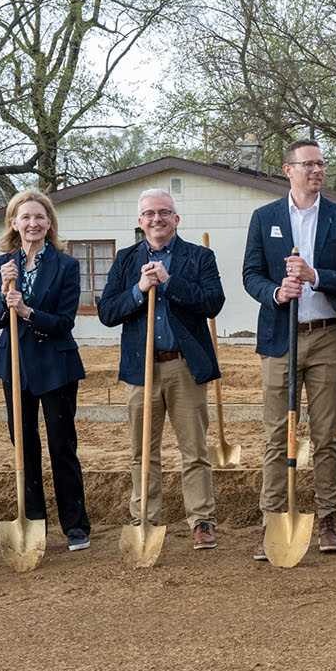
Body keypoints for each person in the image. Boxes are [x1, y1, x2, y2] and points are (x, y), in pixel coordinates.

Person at [243, 139, 336, 557]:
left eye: (321, 164)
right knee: (277, 434)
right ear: (288, 169)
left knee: (326, 432)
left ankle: (329, 520)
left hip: (327, 336)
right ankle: (274, 520)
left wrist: (316, 275)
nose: (317, 170)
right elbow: (250, 275)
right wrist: (276, 291)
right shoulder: (265, 218)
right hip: (281, 336)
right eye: (308, 164)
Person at [97, 188, 226, 551]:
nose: (157, 219)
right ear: (140, 222)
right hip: (143, 370)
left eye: (164, 213)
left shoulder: (199, 257)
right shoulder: (126, 260)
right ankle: (145, 518)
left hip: (184, 366)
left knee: (194, 449)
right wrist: (139, 289)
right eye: (150, 214)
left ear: (176, 219)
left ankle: (201, 520)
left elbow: (212, 303)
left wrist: (170, 282)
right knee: (142, 452)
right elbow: (108, 312)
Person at [0, 189, 90, 552]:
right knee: (24, 447)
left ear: (49, 224)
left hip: (56, 365)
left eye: (39, 217)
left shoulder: (66, 265)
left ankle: (75, 526)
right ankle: (33, 521)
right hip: (15, 364)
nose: (32, 223)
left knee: (62, 446)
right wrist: (4, 292)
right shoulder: (4, 264)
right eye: (25, 217)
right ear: (14, 223)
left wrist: (28, 312)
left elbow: (64, 322)